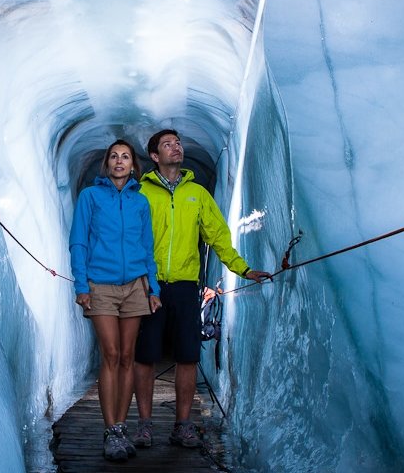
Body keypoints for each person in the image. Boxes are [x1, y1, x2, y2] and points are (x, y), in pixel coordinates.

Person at [130, 129, 271, 449]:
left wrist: (243, 269)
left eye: (178, 142)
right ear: (155, 157)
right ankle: (144, 424)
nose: (176, 147)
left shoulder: (197, 194)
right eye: (167, 145)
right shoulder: (141, 194)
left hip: (184, 285)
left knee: (188, 356)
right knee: (145, 356)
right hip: (148, 285)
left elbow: (219, 237)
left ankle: (183, 425)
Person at [69, 139, 163, 462]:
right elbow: (79, 242)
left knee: (127, 355)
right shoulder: (90, 197)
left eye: (125, 157)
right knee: (110, 353)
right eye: (114, 157)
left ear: (134, 165)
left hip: (135, 286)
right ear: (107, 163)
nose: (120, 162)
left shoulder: (140, 203)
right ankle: (109, 430)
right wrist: (81, 285)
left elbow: (147, 248)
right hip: (101, 286)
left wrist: (154, 289)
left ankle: (122, 427)